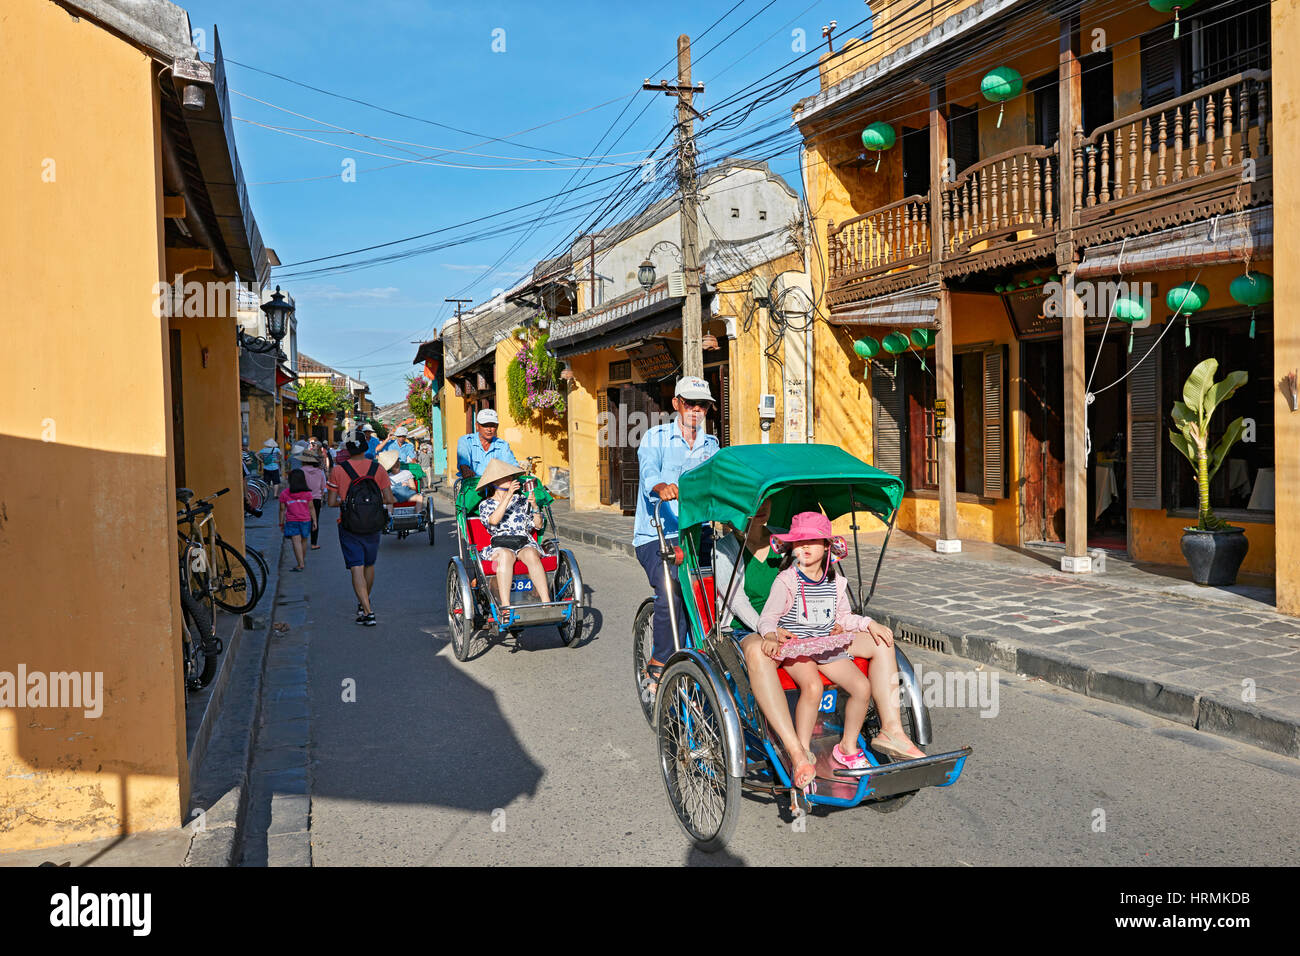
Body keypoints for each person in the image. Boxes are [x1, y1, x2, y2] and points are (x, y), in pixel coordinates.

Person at [634, 376, 719, 697]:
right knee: (671, 587)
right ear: (676, 404)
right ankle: (658, 663)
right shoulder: (655, 438)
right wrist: (661, 487)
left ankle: (709, 654)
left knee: (718, 588)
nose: (696, 410)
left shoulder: (712, 445)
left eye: (703, 405)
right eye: (690, 403)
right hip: (656, 534)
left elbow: (718, 482)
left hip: (697, 533)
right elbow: (649, 475)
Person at [327, 428, 395, 626]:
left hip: (349, 524)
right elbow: (389, 498)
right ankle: (364, 602)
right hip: (373, 523)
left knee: (356, 566)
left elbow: (331, 502)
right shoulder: (378, 469)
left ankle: (368, 611)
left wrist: (349, 501)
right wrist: (371, 503)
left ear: (347, 449)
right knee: (369, 564)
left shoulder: (338, 470)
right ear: (365, 447)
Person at [476, 458, 550, 612]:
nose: (510, 479)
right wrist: (508, 496)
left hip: (523, 541)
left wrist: (535, 506)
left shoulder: (522, 500)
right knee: (505, 555)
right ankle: (506, 606)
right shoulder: (486, 504)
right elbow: (494, 521)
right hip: (500, 544)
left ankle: (546, 603)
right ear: (494, 482)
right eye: (505, 477)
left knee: (531, 554)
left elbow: (537, 525)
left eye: (511, 476)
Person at [457, 408, 518, 478]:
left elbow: (512, 465)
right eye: (485, 425)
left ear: (497, 427)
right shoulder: (466, 441)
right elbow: (463, 464)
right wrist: (466, 470)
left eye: (492, 426)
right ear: (477, 426)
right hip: (473, 483)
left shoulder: (503, 445)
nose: (489, 429)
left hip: (496, 484)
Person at [279, 469, 317, 572]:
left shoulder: (284, 494)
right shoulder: (308, 494)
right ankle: (302, 560)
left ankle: (300, 563)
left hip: (292, 521)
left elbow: (282, 510)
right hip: (306, 520)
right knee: (304, 540)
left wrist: (281, 523)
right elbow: (311, 508)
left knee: (296, 542)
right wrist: (315, 521)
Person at [300, 449, 328, 550]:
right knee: (315, 520)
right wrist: (322, 498)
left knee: (302, 519)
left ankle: (302, 539)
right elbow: (323, 487)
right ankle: (314, 543)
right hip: (316, 498)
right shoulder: (320, 472)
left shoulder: (300, 471)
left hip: (303, 499)